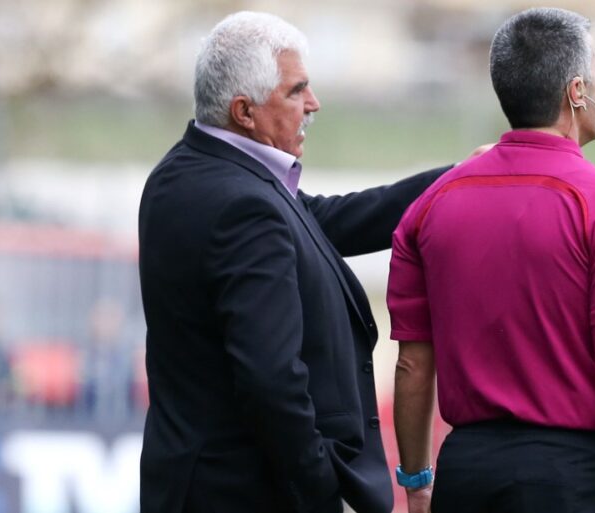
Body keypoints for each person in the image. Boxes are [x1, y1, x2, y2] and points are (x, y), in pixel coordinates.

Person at [138, 12, 460, 513]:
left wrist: (456, 182)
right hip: (247, 494)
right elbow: (270, 379)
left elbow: (321, 220)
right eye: (296, 91)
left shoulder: (187, 173)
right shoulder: (242, 205)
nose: (314, 103)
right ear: (244, 112)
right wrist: (320, 486)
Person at [387, 8, 595, 513]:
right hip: (564, 477)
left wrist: (416, 480)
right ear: (576, 92)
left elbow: (412, 363)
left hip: (465, 472)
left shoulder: (431, 203)